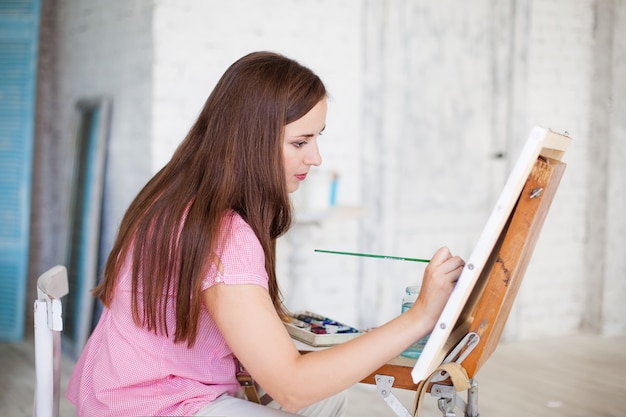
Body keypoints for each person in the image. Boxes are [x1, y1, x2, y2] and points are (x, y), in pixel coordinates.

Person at [66, 51, 465, 417]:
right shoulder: (225, 234)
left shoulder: (174, 194)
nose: (315, 157)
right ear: (252, 141)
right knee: (309, 392)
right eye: (300, 142)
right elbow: (291, 388)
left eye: (316, 138)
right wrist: (420, 316)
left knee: (328, 395)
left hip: (116, 393)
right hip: (149, 406)